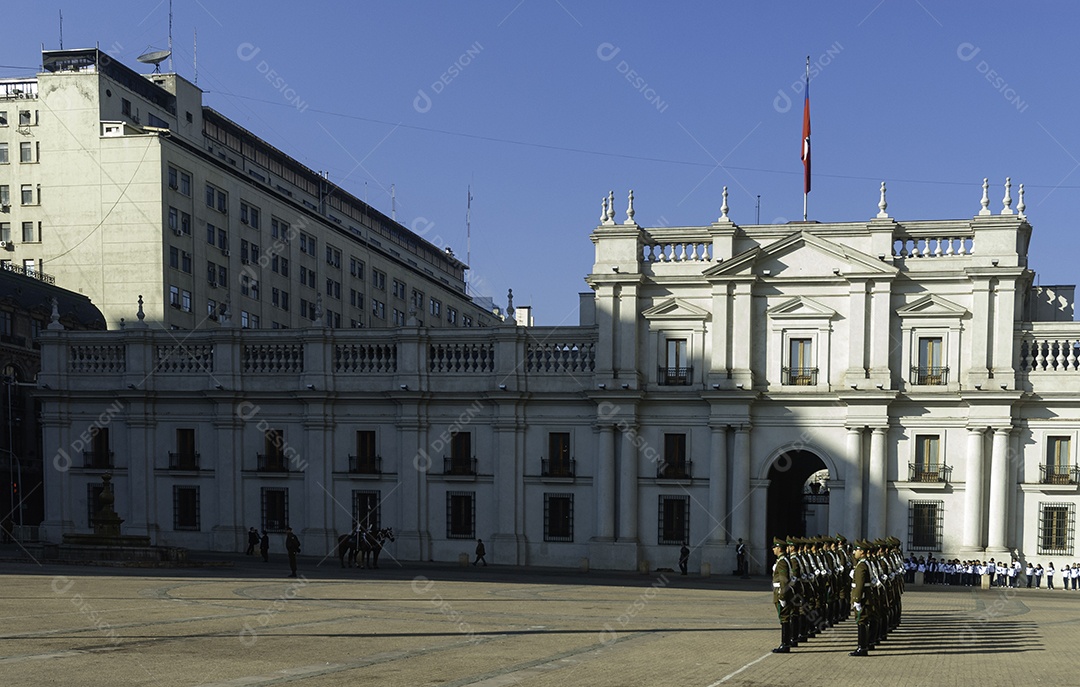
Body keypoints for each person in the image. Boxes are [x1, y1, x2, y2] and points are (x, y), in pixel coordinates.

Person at [770, 537, 793, 653]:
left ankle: (785, 644)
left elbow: (784, 580)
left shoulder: (782, 561)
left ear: (779, 548)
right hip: (780, 592)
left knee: (784, 618)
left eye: (775, 547)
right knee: (784, 618)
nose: (773, 549)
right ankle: (785, 643)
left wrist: (782, 596)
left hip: (781, 593)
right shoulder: (782, 560)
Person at [849, 540, 871, 657]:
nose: (855, 552)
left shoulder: (862, 565)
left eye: (857, 550)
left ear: (862, 552)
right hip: (865, 597)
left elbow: (860, 584)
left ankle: (862, 647)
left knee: (861, 622)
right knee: (862, 622)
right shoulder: (864, 563)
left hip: (862, 598)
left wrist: (857, 599)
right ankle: (863, 646)